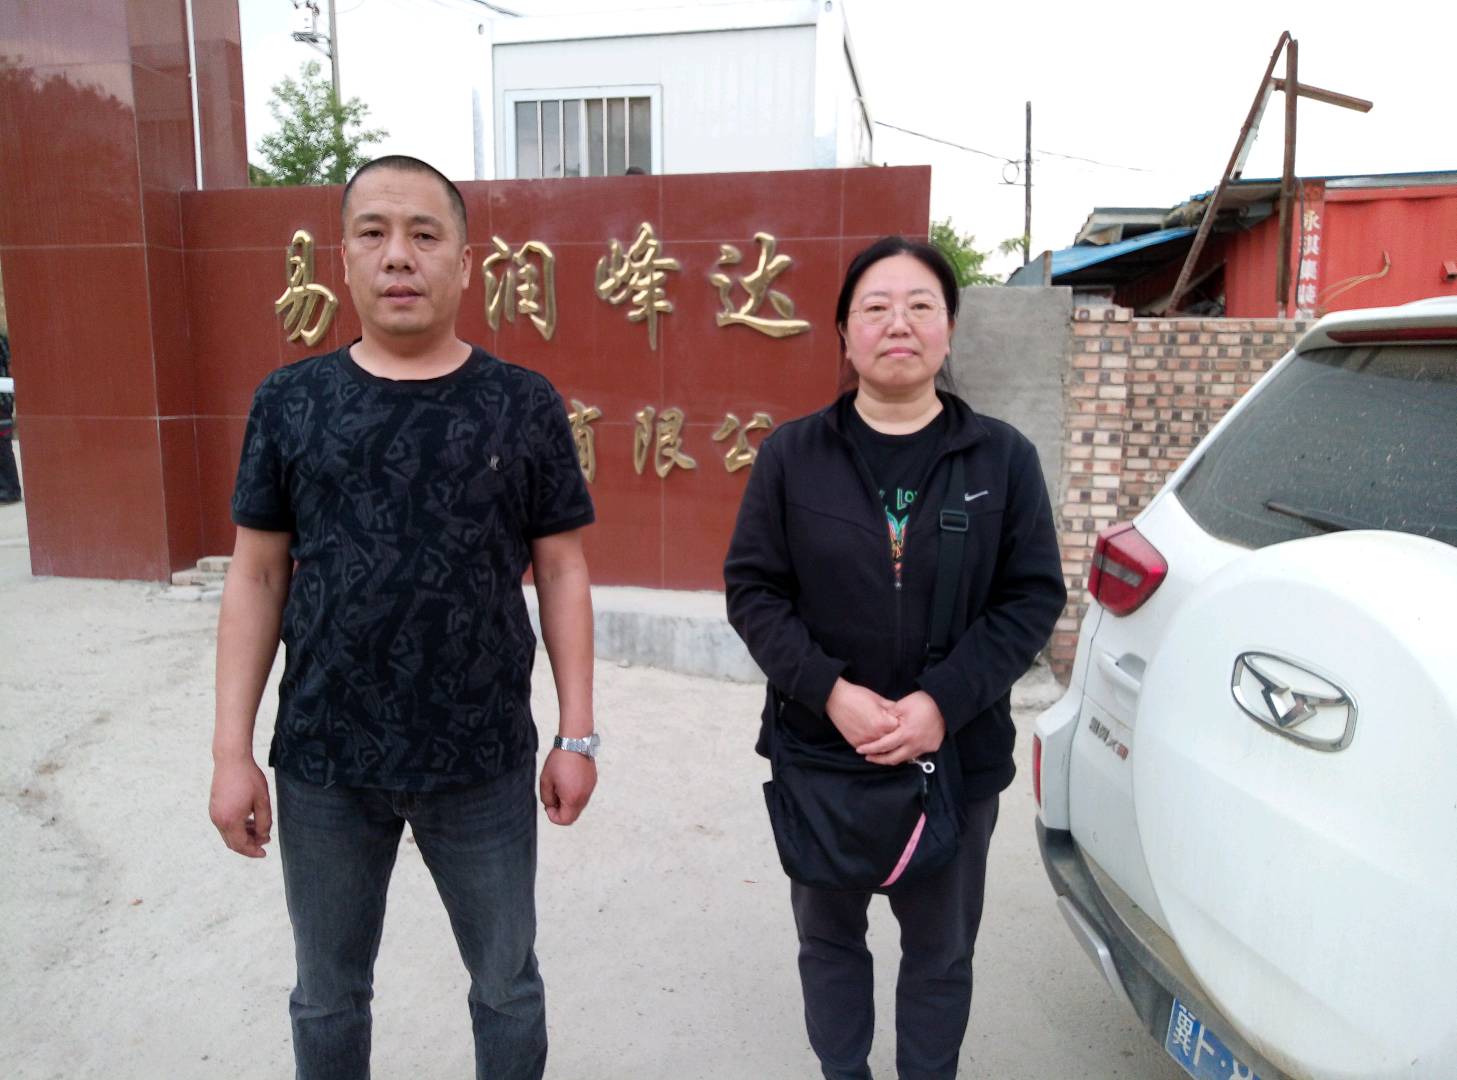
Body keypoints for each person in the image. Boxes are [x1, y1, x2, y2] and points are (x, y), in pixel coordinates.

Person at [209, 155, 598, 1080]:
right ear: (343, 259)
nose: (398, 255)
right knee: (327, 994)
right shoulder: (290, 402)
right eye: (374, 233)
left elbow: (562, 568)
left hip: (482, 758)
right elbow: (256, 575)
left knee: (506, 985)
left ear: (464, 262)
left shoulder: (521, 403)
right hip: (325, 760)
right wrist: (231, 752)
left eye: (424, 234)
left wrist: (576, 735)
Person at [724, 236, 1066, 1079]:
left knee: (940, 951)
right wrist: (829, 692)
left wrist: (941, 703)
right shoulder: (792, 456)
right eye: (874, 307)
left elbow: (1029, 597)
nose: (898, 323)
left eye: (920, 305)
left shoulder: (1002, 459)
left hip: (954, 758)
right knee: (829, 940)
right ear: (844, 334)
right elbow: (754, 591)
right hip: (821, 752)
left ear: (949, 329)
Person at [0, 330, 20, 504]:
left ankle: (11, 490)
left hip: (1, 401)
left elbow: (11, 366)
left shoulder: (1, 341)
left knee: (2, 445)